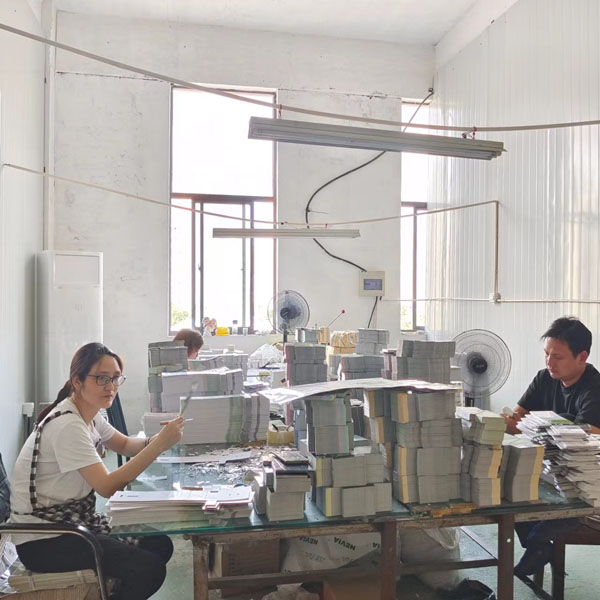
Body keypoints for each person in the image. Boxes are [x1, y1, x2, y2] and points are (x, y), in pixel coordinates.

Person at [9, 342, 185, 600]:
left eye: (115, 378)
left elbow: (124, 444)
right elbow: (107, 486)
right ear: (77, 381)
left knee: (158, 544)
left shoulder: (89, 413)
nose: (110, 386)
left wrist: (157, 438)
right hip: (45, 539)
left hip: (72, 523)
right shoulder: (68, 425)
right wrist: (160, 445)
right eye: (102, 378)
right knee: (149, 569)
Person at [503, 317, 600, 576]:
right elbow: (516, 419)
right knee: (510, 488)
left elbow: (586, 437)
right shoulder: (544, 378)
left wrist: (539, 428)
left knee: (551, 516)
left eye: (557, 357)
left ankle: (538, 544)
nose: (549, 362)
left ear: (582, 357)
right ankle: (538, 546)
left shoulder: (594, 388)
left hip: (586, 482)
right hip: (552, 472)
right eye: (546, 354)